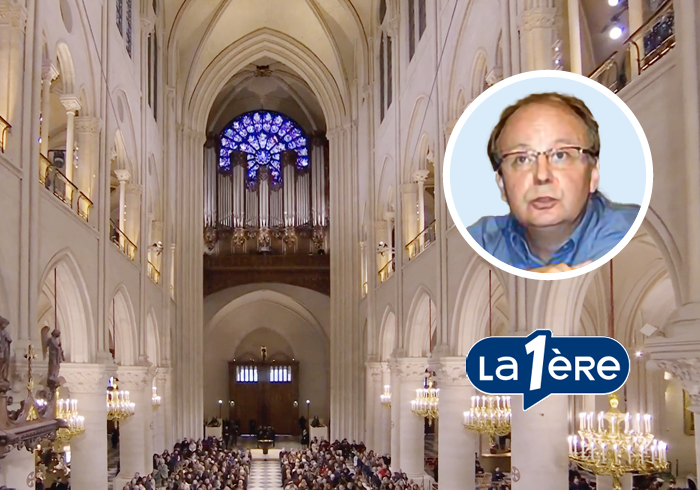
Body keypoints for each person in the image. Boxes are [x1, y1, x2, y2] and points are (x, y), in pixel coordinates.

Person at [467, 92, 640, 273]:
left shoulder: (635, 233)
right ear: (502, 184)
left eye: (560, 155)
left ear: (593, 174)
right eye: (522, 159)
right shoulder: (478, 243)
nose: (542, 175)